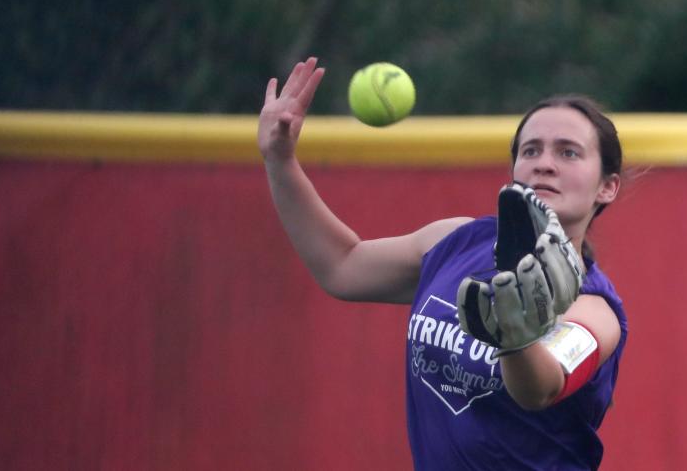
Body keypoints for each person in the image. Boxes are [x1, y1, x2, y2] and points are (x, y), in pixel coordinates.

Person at [258, 57, 628, 470]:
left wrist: (516, 340)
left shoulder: (592, 307)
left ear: (607, 187)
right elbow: (341, 266)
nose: (544, 162)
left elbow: (540, 389)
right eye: (531, 150)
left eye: (569, 152)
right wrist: (280, 160)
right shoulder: (454, 242)